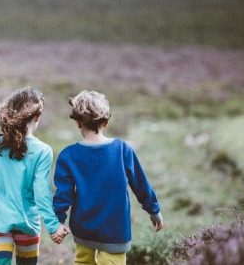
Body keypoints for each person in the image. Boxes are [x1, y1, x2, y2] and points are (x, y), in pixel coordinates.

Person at [0, 87, 69, 265]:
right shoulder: (43, 151)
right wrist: (53, 225)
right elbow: (41, 192)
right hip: (28, 224)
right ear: (37, 117)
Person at [53, 90, 163, 265]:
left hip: (83, 230)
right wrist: (153, 210)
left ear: (78, 122)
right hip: (115, 232)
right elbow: (141, 184)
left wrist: (57, 221)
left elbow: (63, 195)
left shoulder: (68, 155)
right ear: (106, 122)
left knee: (82, 262)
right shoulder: (122, 150)